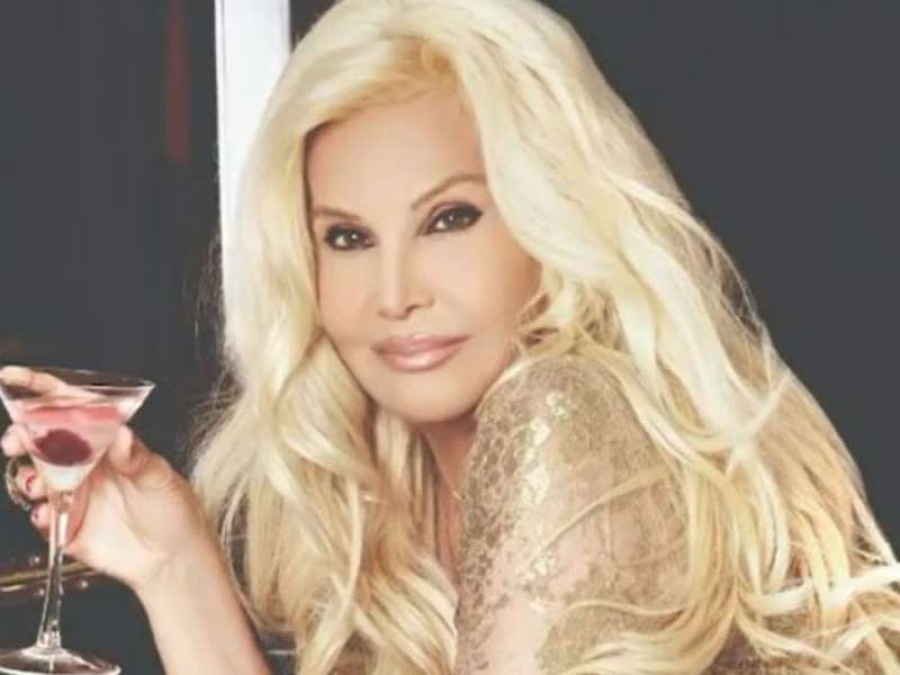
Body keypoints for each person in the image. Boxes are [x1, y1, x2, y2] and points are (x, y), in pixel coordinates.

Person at [4, 0, 900, 673]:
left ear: (549, 218)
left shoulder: (568, 418)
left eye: (450, 219)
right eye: (347, 238)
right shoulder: (389, 490)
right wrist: (174, 563)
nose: (396, 294)